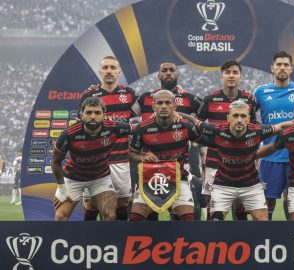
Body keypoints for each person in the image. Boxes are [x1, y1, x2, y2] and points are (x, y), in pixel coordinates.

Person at [182, 100, 293, 221]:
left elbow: (281, 126)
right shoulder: (216, 130)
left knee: (263, 223)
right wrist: (178, 115)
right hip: (223, 186)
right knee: (214, 223)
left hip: (251, 186)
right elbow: (195, 122)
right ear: (228, 118)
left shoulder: (258, 131)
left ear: (249, 118)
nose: (239, 119)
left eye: (243, 116)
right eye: (235, 116)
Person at [133, 61, 203, 220]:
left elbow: (203, 119)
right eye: (164, 70)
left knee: (183, 211)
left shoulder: (189, 98)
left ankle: (179, 242)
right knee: (148, 213)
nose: (168, 73)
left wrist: (183, 117)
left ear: (177, 74)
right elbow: (126, 117)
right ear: (158, 75)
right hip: (149, 166)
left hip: (180, 162)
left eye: (172, 70)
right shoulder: (145, 98)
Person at [52, 97, 132, 221]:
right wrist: (62, 188)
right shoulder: (69, 134)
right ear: (81, 115)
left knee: (110, 216)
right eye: (89, 113)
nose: (93, 116)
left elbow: (138, 129)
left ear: (104, 115)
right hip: (73, 179)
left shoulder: (114, 127)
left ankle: (107, 241)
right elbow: (56, 162)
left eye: (97, 113)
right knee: (60, 216)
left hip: (100, 178)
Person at [253, 51, 294, 220]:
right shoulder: (260, 92)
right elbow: (250, 120)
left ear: (292, 69)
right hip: (271, 157)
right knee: (267, 202)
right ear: (272, 68)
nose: (282, 68)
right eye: (279, 64)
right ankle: (266, 241)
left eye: (286, 65)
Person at [80, 56, 138, 221]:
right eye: (105, 68)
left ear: (119, 72)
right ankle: (89, 243)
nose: (109, 71)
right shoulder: (89, 95)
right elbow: (81, 127)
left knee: (122, 203)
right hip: (95, 161)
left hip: (120, 161)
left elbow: (145, 112)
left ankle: (117, 241)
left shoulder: (129, 94)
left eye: (113, 67)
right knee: (91, 204)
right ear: (100, 72)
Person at [198, 60, 257, 220]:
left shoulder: (249, 99)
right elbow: (198, 125)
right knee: (213, 206)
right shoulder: (210, 99)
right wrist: (206, 144)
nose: (231, 76)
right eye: (228, 72)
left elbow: (254, 128)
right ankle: (214, 242)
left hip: (241, 163)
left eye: (235, 72)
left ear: (240, 76)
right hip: (214, 162)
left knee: (240, 207)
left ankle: (241, 242)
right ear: (222, 76)